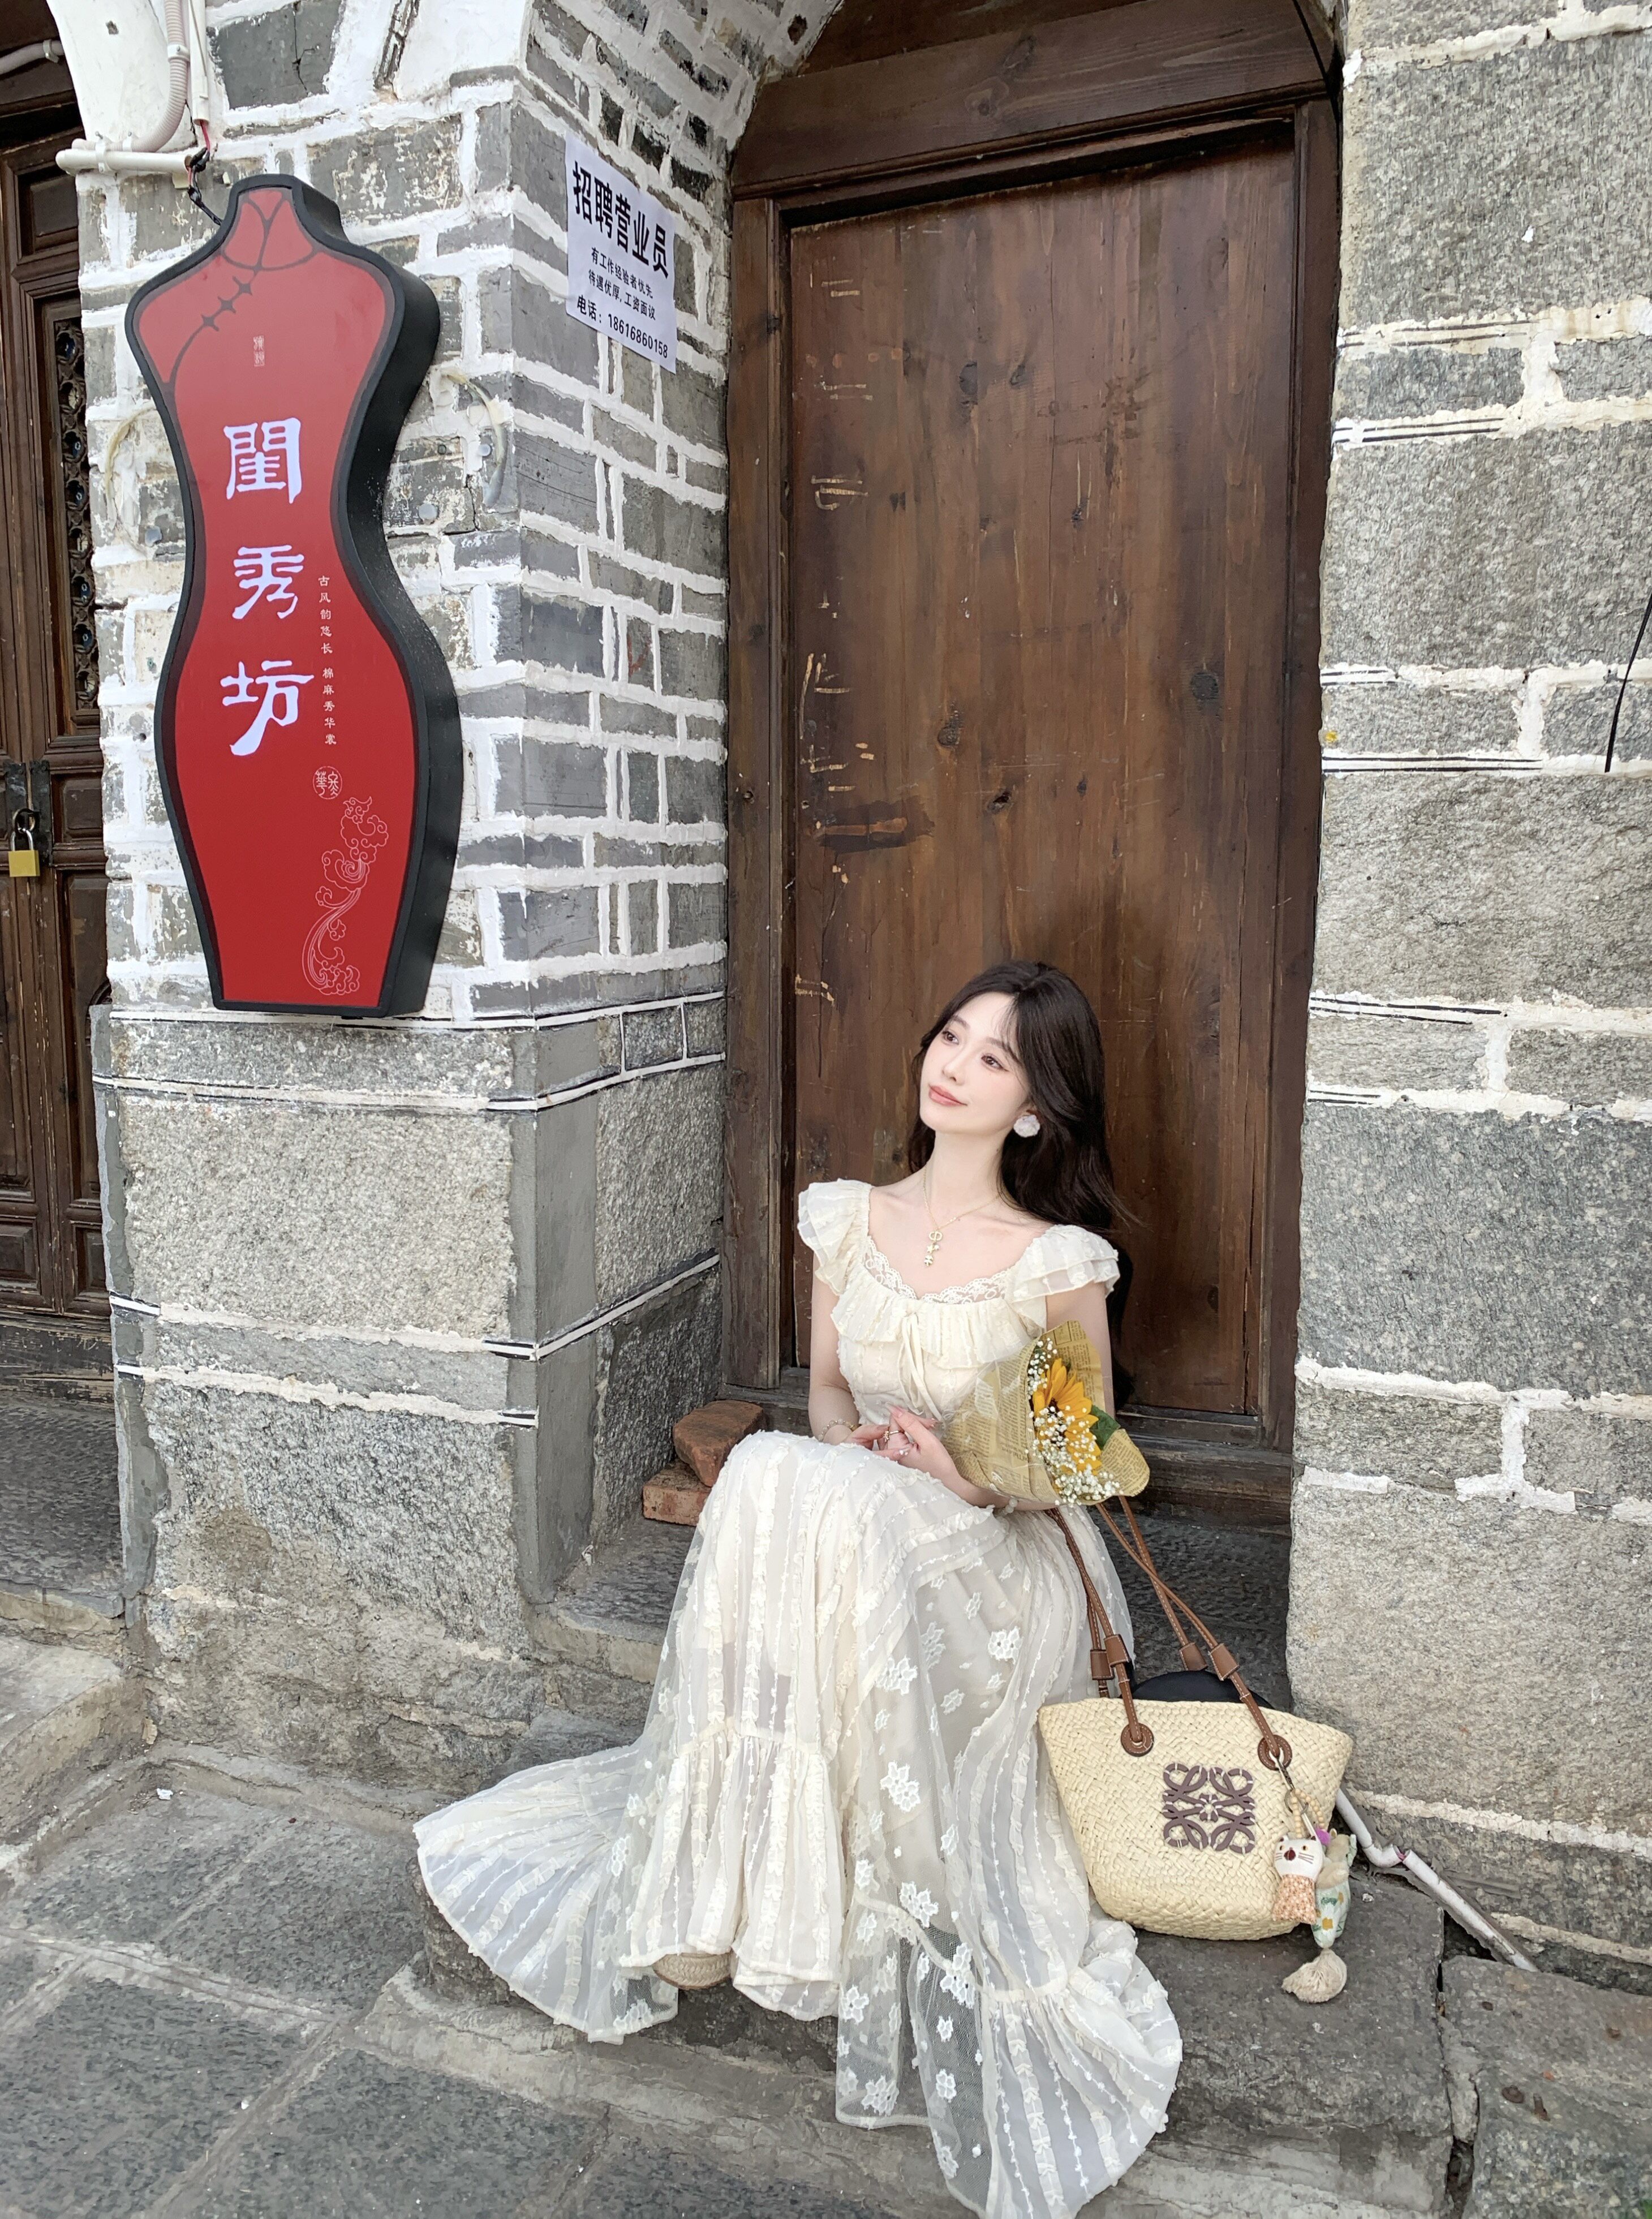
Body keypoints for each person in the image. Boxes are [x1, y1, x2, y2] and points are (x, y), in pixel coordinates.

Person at [416, 960, 1181, 2217]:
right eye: (951, 1035)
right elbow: (827, 1390)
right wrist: (852, 1447)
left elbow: (1078, 1457)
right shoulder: (847, 1219)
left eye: (994, 1058)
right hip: (863, 1517)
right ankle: (723, 1882)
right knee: (785, 1466)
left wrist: (964, 1477)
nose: (955, 1065)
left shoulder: (1055, 1261)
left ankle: (749, 1884)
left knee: (791, 1488)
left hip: (1001, 1553)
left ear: (1036, 1109)